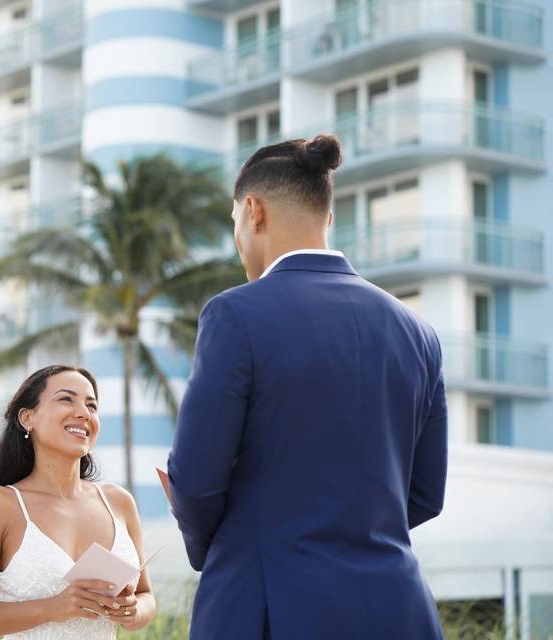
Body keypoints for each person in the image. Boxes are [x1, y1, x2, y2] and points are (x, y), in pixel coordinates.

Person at [168, 135, 447, 639]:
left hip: (271, 605)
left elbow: (194, 479)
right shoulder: (418, 332)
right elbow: (425, 493)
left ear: (253, 211)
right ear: (328, 218)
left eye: (233, 221)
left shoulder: (235, 314)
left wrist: (224, 542)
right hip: (398, 609)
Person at [0, 365, 156, 639]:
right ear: (27, 417)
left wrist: (133, 611)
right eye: (66, 399)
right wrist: (52, 607)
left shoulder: (118, 502)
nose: (83, 413)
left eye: (91, 406)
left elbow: (145, 596)